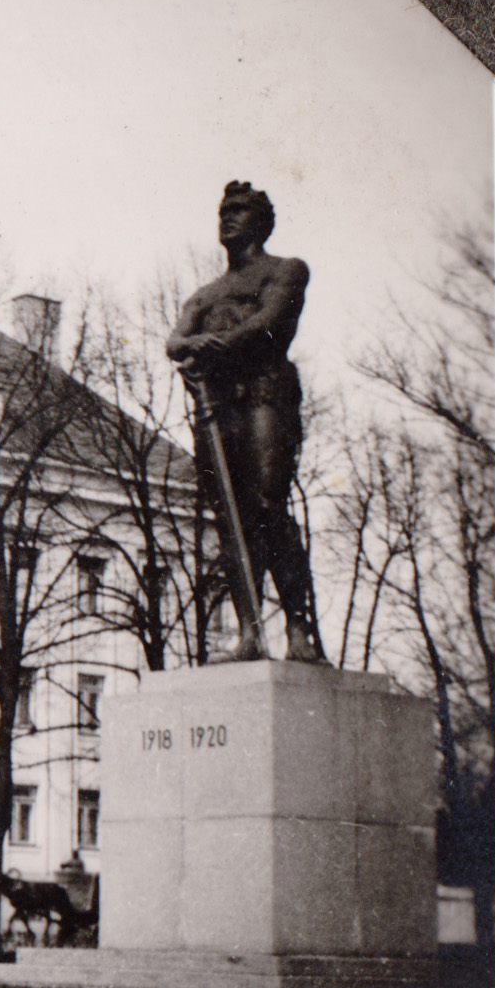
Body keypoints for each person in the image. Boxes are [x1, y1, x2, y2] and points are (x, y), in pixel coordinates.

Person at [165, 180, 324, 664]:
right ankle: (250, 633)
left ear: (262, 221)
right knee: (231, 519)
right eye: (223, 211)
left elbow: (270, 322)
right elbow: (176, 341)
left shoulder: (286, 270)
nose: (227, 218)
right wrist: (193, 348)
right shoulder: (205, 293)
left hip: (265, 392)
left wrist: (213, 347)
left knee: (267, 504)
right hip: (218, 406)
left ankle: (299, 627)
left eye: (238, 211)